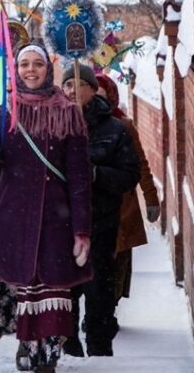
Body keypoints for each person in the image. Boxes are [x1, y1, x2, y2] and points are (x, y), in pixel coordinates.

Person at [0, 42, 93, 373]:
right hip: (12, 216)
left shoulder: (68, 112)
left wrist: (82, 228)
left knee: (53, 289)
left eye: (37, 64)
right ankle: (27, 343)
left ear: (48, 69)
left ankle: (48, 357)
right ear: (15, 70)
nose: (30, 70)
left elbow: (80, 176)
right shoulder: (2, 112)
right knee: (22, 288)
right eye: (24, 64)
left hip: (56, 219)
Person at [60, 65, 140, 357]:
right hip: (62, 224)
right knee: (64, 294)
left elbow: (129, 175)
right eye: (67, 85)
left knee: (99, 295)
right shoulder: (54, 126)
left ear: (93, 90)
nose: (72, 91)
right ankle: (69, 348)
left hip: (101, 225)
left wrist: (96, 174)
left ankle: (99, 352)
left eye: (79, 84)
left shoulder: (115, 129)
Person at [94, 74, 160, 303]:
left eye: (102, 95)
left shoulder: (123, 125)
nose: (97, 101)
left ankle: (109, 308)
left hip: (122, 208)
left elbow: (141, 164)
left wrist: (151, 198)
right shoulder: (79, 123)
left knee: (117, 266)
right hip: (92, 210)